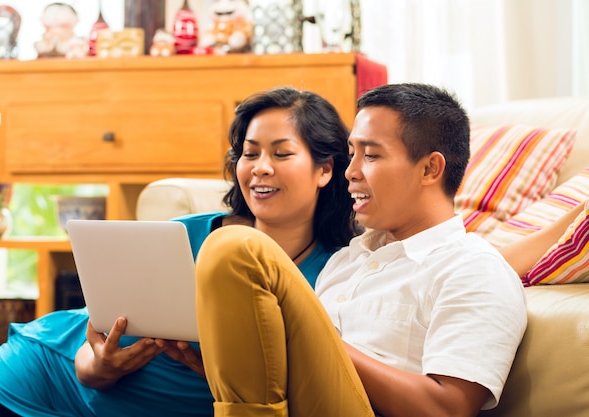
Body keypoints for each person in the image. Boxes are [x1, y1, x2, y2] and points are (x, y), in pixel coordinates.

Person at [0, 86, 359, 416]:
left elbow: (310, 385)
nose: (260, 167)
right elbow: (89, 345)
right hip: (43, 379)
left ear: (324, 169)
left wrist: (229, 374)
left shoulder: (341, 270)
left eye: (281, 153)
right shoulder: (184, 235)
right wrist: (100, 365)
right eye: (250, 153)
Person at [192, 83, 529, 416]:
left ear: (430, 169)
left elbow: (447, 409)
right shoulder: (344, 262)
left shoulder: (472, 268)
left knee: (235, 247)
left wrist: (313, 340)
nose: (350, 172)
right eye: (351, 154)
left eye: (370, 155)